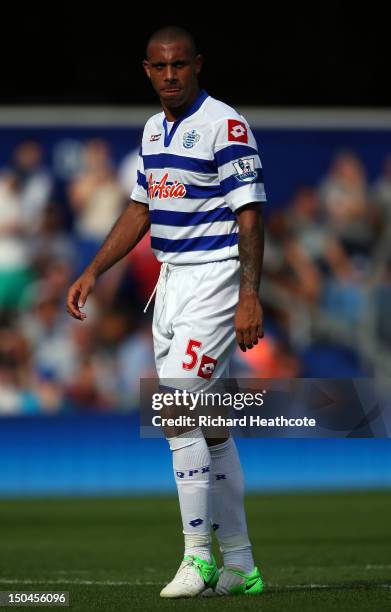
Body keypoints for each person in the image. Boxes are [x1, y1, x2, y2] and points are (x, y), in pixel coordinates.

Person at [67, 26, 266, 598]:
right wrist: (92, 270)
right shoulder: (153, 131)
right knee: (210, 425)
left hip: (217, 278)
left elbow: (250, 215)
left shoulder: (224, 125)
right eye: (160, 66)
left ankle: (197, 558)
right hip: (172, 283)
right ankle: (241, 567)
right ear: (147, 70)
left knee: (174, 407)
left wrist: (249, 293)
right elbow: (140, 209)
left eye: (180, 64)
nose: (171, 74)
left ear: (197, 65)